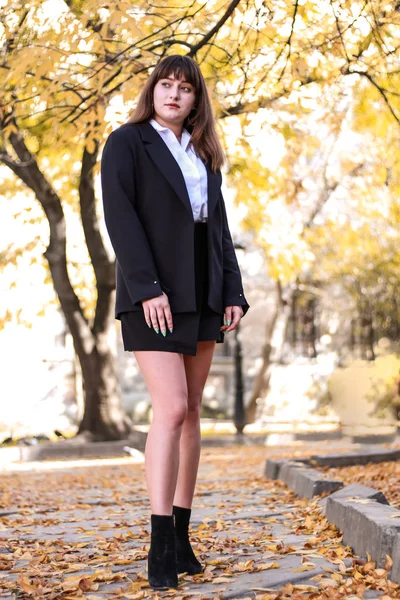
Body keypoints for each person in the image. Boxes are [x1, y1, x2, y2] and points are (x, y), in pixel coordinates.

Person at [101, 54, 250, 590]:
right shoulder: (126, 142)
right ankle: (159, 542)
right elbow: (120, 217)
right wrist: (147, 289)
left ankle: (183, 535)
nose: (174, 95)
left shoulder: (205, 153)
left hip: (203, 290)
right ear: (153, 91)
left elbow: (218, 229)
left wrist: (232, 291)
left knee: (192, 417)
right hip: (153, 292)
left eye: (185, 89)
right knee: (172, 409)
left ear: (196, 100)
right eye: (165, 85)